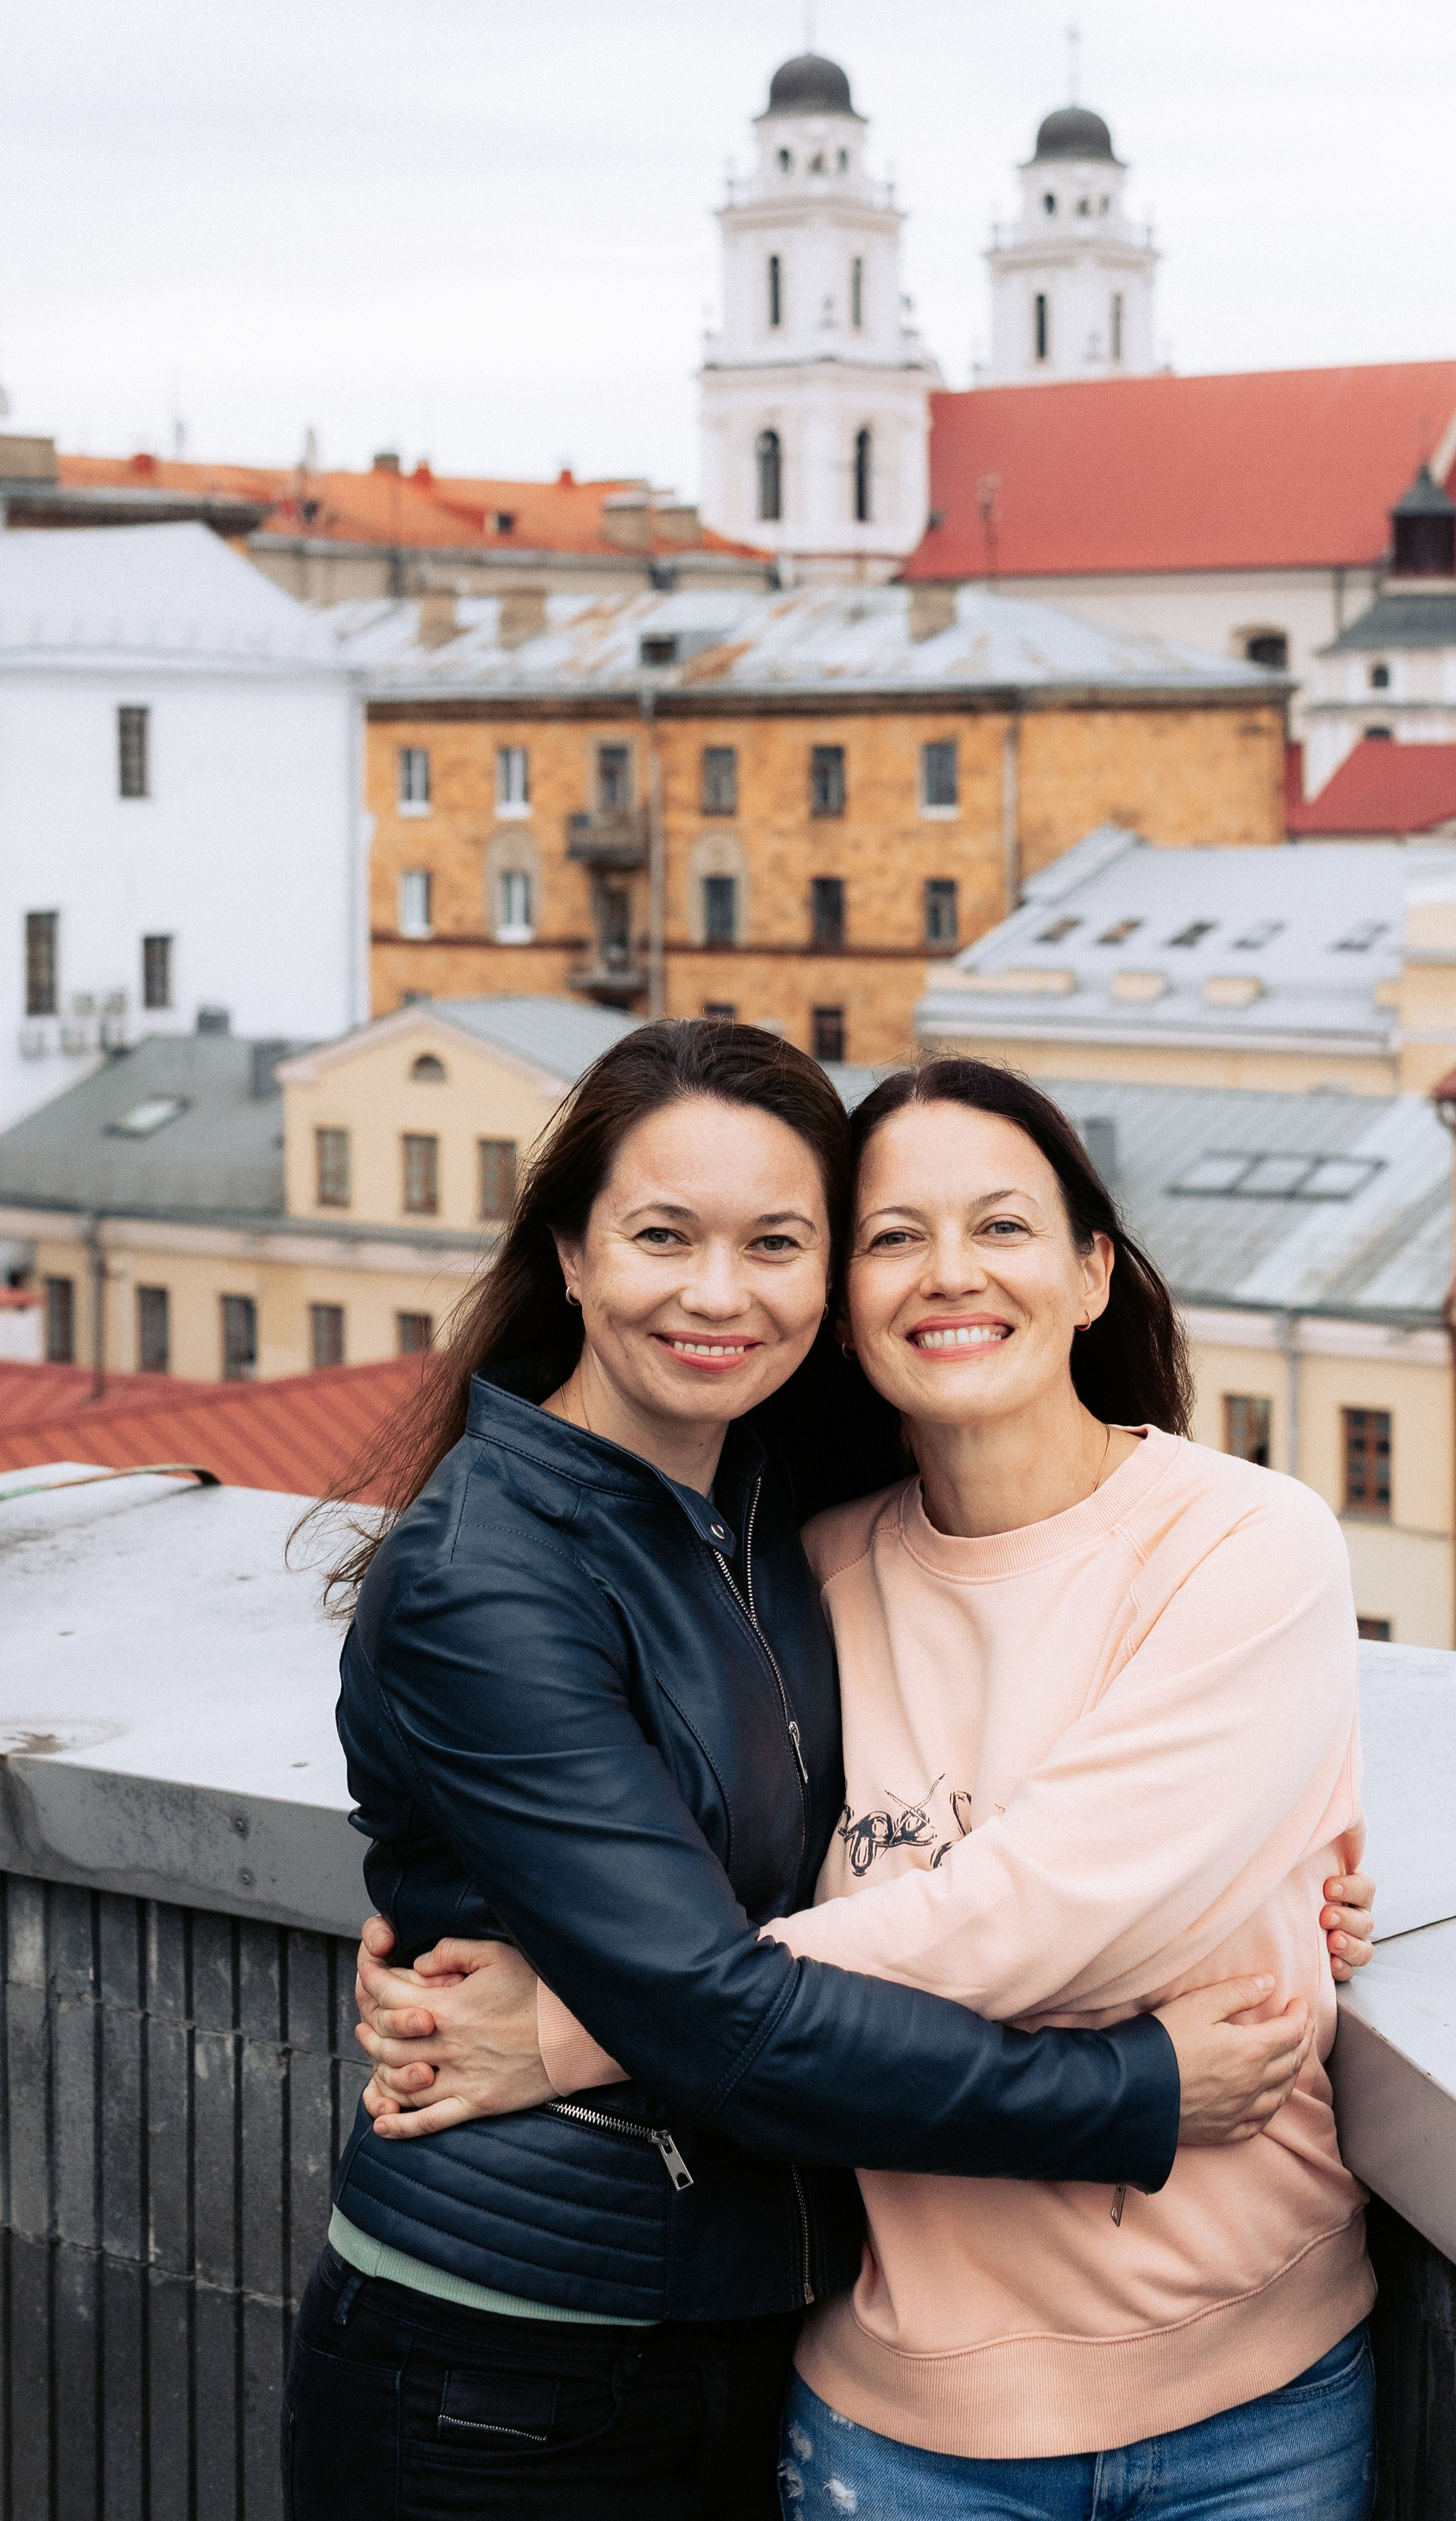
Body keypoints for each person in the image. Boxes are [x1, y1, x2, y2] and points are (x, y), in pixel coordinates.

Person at [290, 1020, 1373, 2519]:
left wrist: (577, 2028)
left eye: (777, 1242)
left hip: (766, 2322)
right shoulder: (566, 1571)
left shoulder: (755, 1527)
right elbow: (735, 1980)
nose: (719, 1292)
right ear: (570, 1257)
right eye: (662, 1235)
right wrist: (1132, 2083)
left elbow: (1003, 1887)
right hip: (531, 2364)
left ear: (1092, 1271)